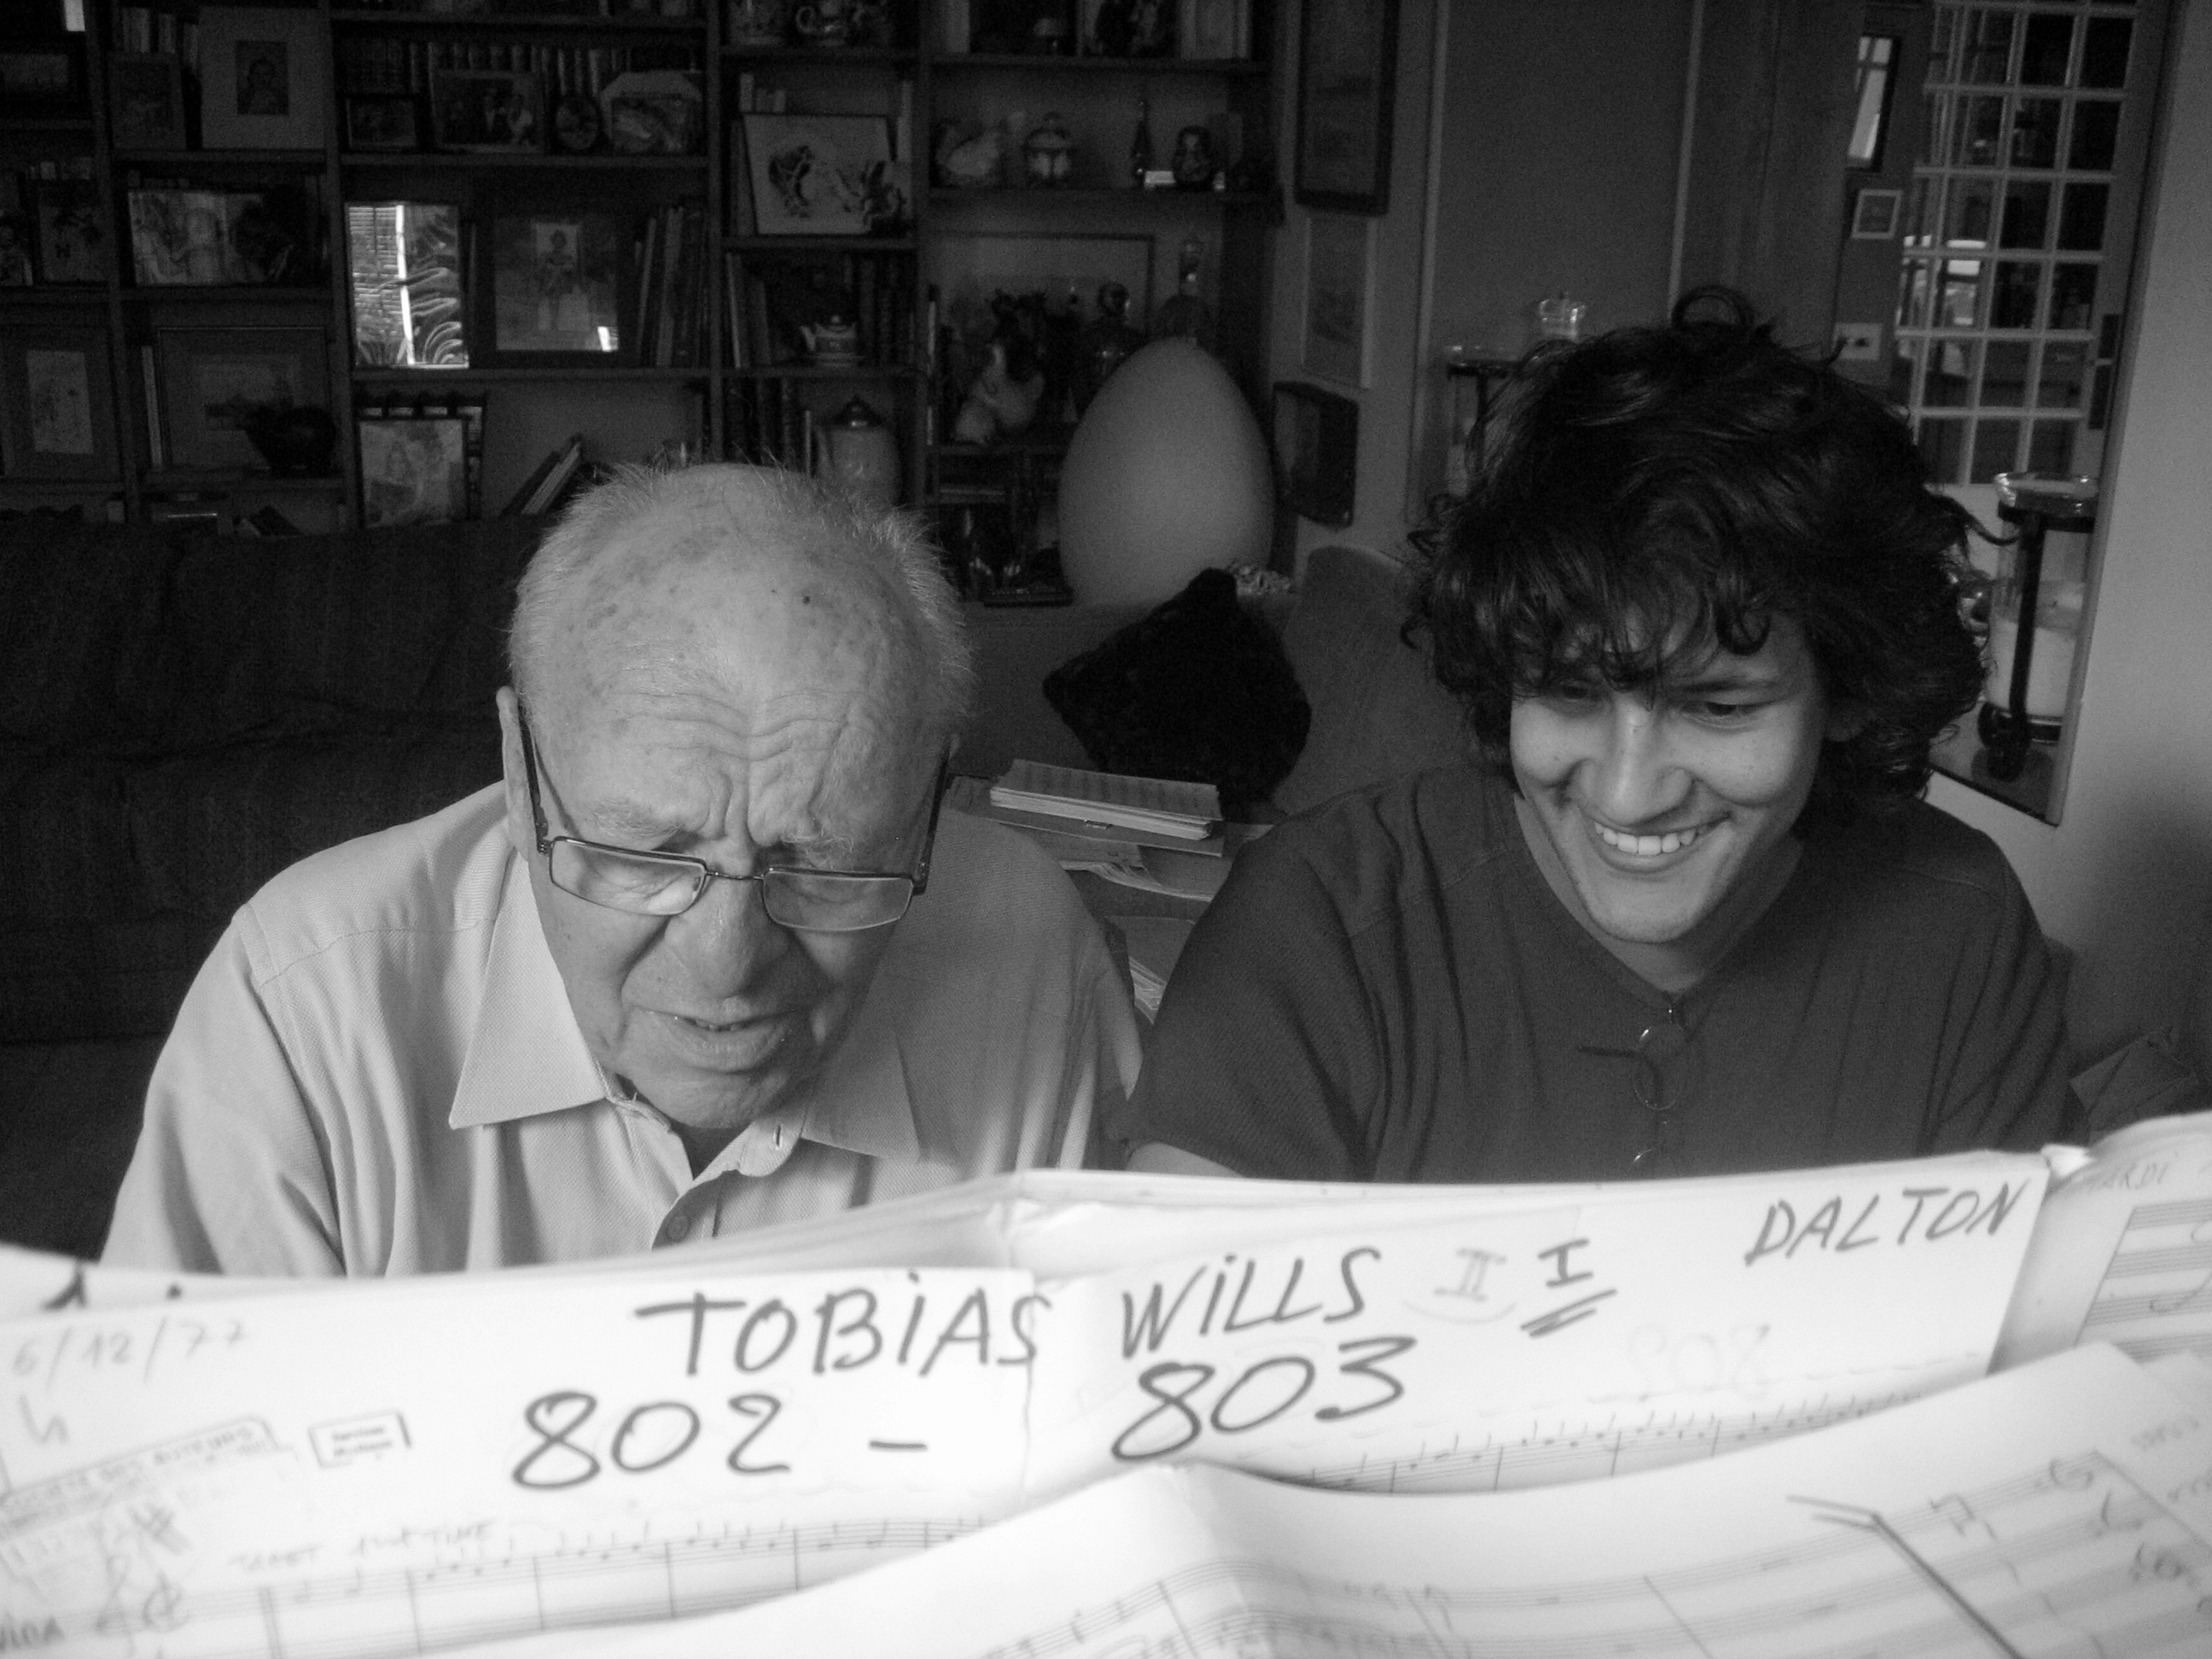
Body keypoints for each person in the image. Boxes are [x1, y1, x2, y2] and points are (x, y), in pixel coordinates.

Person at [1112, 289, 2080, 1184]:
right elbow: (1179, 1341)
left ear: (1852, 690)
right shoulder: (1315, 921)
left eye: (1719, 707)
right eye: (1568, 693)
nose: (1626, 793)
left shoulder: (1960, 931)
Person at [105, 464, 1143, 1274]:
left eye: (823, 863)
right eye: (642, 855)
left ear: (929, 799)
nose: (729, 964)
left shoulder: (1033, 958)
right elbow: (170, 1505)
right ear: (518, 776)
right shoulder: (305, 1004)